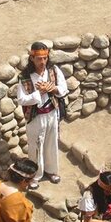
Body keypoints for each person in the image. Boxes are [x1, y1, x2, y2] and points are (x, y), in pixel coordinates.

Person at [17, 41, 68, 190]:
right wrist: (39, 92)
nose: (43, 62)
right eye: (39, 58)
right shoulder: (25, 77)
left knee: (51, 143)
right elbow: (22, 99)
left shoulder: (53, 70)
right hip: (36, 118)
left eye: (45, 58)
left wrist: (52, 89)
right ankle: (35, 176)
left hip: (52, 113)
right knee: (35, 147)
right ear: (32, 58)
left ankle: (51, 171)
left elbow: (63, 89)